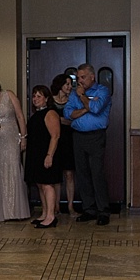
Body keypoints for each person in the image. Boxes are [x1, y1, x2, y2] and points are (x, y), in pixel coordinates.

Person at [65, 63, 112, 225]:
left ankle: (103, 210)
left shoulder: (102, 91)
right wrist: (86, 108)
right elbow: (68, 113)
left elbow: (97, 108)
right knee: (82, 174)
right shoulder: (74, 94)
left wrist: (83, 98)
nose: (80, 81)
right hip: (78, 137)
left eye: (83, 77)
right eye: (78, 78)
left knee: (97, 173)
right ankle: (89, 209)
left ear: (92, 76)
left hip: (96, 137)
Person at [0, 72, 28, 222]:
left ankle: (14, 210)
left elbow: (20, 116)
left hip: (11, 139)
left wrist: (23, 137)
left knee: (13, 168)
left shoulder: (8, 95)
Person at [25, 84, 62, 228]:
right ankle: (45, 213)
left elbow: (55, 136)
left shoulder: (50, 113)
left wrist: (49, 155)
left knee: (47, 184)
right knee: (40, 184)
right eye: (34, 96)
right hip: (36, 153)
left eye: (39, 96)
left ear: (47, 99)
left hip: (47, 153)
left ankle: (51, 216)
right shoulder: (37, 115)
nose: (35, 99)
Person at [49, 73, 78, 215]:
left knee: (69, 174)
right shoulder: (50, 101)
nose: (69, 87)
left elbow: (75, 120)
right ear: (60, 85)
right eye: (67, 84)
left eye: (70, 84)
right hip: (54, 139)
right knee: (56, 175)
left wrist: (59, 119)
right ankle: (56, 207)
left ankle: (71, 206)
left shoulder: (72, 101)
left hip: (69, 139)